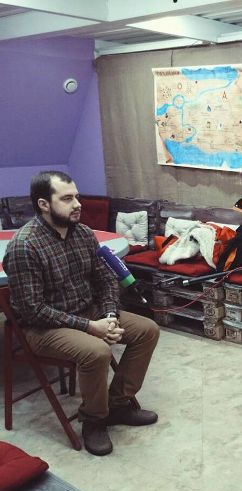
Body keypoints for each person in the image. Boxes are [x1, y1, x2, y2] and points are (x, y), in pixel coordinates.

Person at [2, 171, 160, 456]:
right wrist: (90, 327)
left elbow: (105, 279)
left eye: (76, 196)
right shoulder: (25, 246)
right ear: (43, 204)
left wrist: (109, 315)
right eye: (67, 198)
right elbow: (33, 310)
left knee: (147, 330)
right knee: (96, 352)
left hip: (89, 312)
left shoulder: (84, 234)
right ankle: (94, 420)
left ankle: (118, 405)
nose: (78, 204)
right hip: (44, 327)